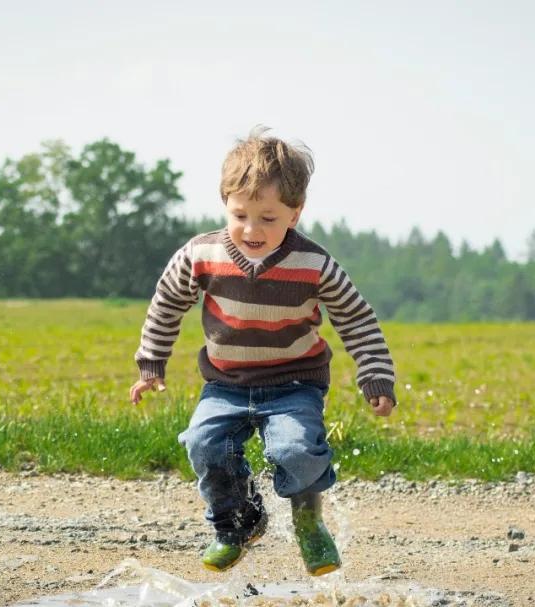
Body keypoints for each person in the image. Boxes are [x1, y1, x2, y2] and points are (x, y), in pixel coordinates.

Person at [130, 126, 397, 576]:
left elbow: (356, 319)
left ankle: (308, 520)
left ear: (295, 213)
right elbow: (167, 303)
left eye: (268, 218)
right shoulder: (201, 254)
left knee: (295, 450)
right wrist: (151, 362)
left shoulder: (316, 265)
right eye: (240, 215)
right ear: (226, 205)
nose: (251, 230)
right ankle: (238, 523)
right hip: (225, 383)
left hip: (295, 383)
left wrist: (375, 376)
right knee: (204, 444)